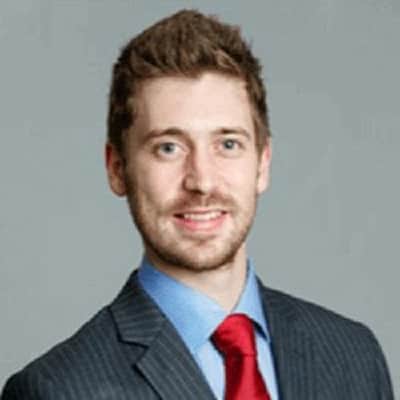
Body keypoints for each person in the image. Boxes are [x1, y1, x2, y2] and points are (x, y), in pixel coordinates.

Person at [1, 9, 394, 400]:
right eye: (168, 148)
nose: (202, 182)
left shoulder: (354, 356)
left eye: (228, 144)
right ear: (117, 168)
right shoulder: (56, 390)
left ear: (262, 164)